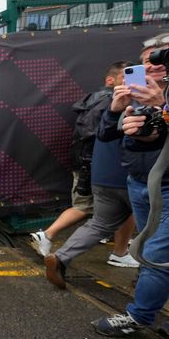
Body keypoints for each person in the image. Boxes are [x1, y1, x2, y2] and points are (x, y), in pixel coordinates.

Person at [91, 33, 169, 336]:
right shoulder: (135, 94)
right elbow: (106, 135)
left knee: (157, 255)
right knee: (149, 248)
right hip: (139, 182)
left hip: (164, 186)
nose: (154, 65)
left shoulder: (159, 97)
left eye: (162, 58)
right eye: (148, 60)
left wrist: (161, 104)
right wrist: (114, 110)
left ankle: (138, 317)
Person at [44, 62, 140, 288]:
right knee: (153, 228)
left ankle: (61, 257)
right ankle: (144, 278)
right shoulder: (134, 102)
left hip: (100, 172)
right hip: (130, 174)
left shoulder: (95, 103)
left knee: (100, 223)